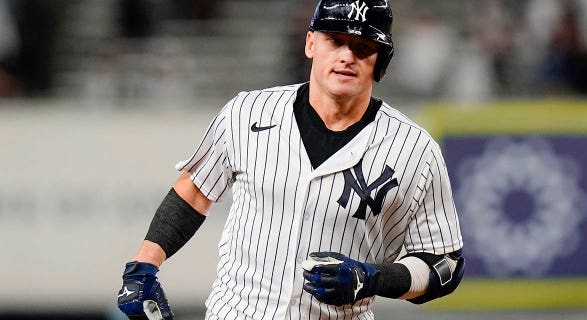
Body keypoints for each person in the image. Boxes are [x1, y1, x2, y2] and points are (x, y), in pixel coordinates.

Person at [116, 0, 465, 319]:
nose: (347, 56)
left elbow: (443, 266)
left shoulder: (415, 150)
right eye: (335, 40)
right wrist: (143, 266)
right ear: (311, 43)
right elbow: (194, 191)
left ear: (381, 64)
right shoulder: (247, 111)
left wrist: (372, 278)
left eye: (363, 47)